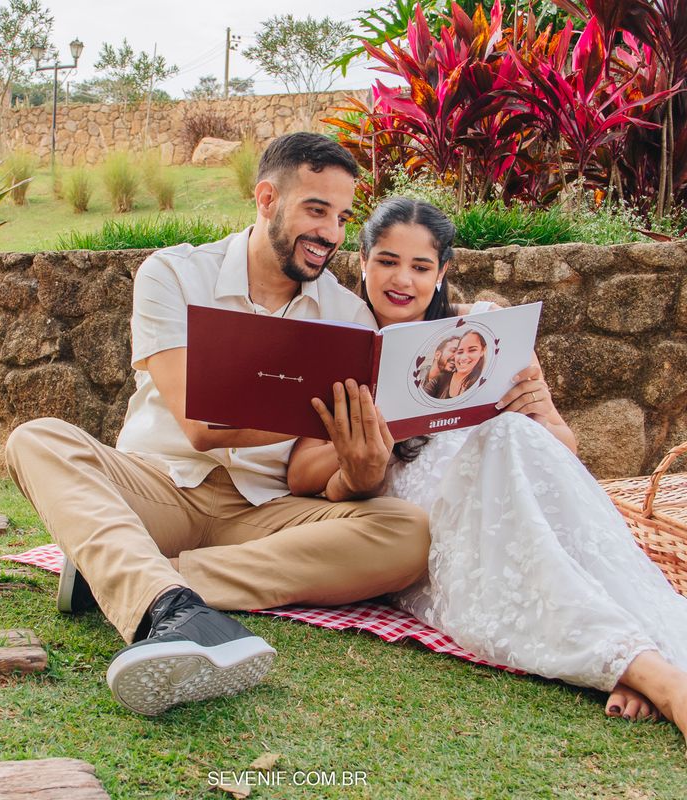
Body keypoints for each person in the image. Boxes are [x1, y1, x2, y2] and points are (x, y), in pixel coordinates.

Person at [4, 135, 429, 717]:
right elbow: (198, 423)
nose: (331, 233)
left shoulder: (349, 317)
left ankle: (141, 581)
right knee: (36, 439)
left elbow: (312, 467)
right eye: (315, 209)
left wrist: (359, 466)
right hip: (158, 486)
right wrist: (316, 410)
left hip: (264, 511)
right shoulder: (173, 275)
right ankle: (159, 598)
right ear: (265, 198)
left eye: (340, 216)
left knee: (408, 533)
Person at [287, 197, 687, 742]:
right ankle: (657, 676)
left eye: (421, 266)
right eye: (386, 261)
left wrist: (542, 406)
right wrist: (384, 425)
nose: (402, 279)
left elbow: (559, 455)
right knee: (505, 464)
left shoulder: (484, 334)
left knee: (509, 436)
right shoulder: (341, 347)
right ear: (362, 261)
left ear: (443, 271)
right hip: (439, 529)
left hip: (515, 498)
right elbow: (300, 474)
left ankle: (639, 654)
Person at [436, 329, 485, 398]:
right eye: (460, 352)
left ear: (482, 351)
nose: (463, 357)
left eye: (472, 350)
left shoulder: (484, 379)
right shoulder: (441, 378)